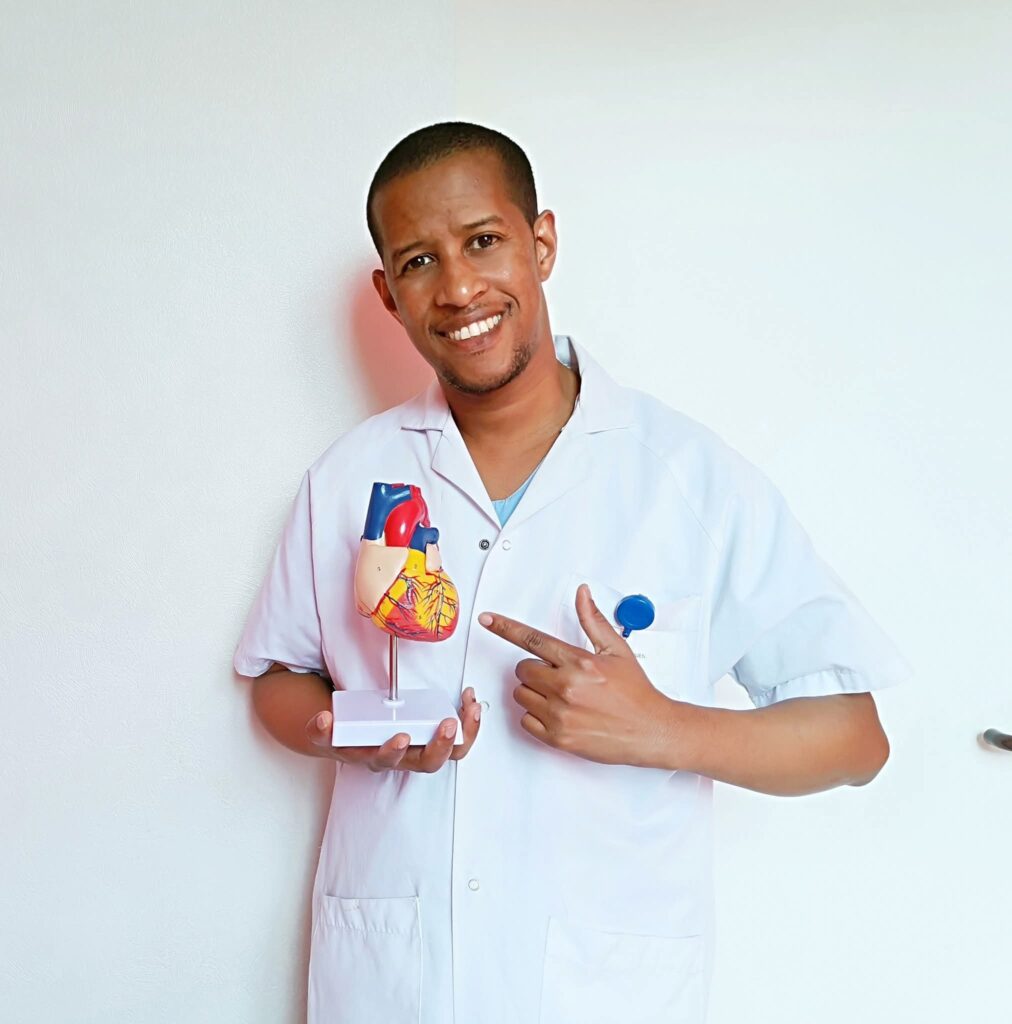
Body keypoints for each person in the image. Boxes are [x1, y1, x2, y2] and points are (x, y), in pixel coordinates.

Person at [233, 121, 911, 1024]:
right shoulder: (349, 477)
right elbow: (280, 680)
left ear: (542, 243)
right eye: (419, 262)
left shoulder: (686, 478)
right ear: (388, 295)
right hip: (393, 988)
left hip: (603, 992)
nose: (459, 287)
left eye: (483, 241)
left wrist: (663, 728)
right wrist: (346, 736)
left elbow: (856, 739)